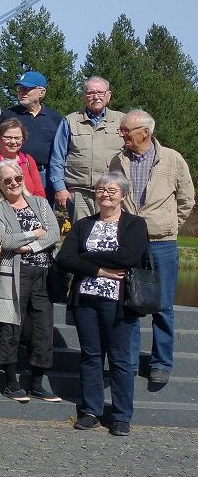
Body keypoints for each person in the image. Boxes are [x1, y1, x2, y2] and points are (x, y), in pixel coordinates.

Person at [56, 173, 148, 436]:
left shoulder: (135, 224)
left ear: (123, 194)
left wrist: (87, 258)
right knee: (91, 356)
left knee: (119, 358)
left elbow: (128, 256)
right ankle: (91, 410)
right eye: (101, 189)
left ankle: (121, 415)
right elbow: (65, 258)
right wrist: (101, 271)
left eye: (112, 190)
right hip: (86, 298)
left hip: (118, 301)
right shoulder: (83, 224)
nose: (105, 194)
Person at [110, 109, 195, 386]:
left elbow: (186, 199)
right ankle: (130, 362)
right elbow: (113, 195)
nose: (121, 134)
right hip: (129, 243)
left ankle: (161, 363)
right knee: (129, 304)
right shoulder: (117, 160)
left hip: (163, 244)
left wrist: (168, 224)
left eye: (126, 130)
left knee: (163, 307)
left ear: (144, 132)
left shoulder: (172, 159)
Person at [0, 159, 61, 403]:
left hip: (42, 273)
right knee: (10, 326)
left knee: (42, 327)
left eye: (17, 178)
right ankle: (11, 382)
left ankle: (38, 383)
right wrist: (34, 233)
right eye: (7, 180)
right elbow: (5, 241)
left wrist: (29, 247)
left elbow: (54, 233)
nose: (14, 183)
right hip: (12, 274)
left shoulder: (40, 202)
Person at [50, 76, 125, 222]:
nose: (96, 97)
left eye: (100, 92)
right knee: (82, 238)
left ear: (108, 96)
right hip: (79, 194)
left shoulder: (122, 121)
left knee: (112, 236)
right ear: (84, 96)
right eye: (90, 93)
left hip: (112, 192)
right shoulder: (70, 121)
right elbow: (57, 158)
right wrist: (60, 188)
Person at [0, 71, 64, 190]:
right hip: (13, 173)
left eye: (27, 89)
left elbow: (63, 149)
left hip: (45, 175)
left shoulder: (55, 118)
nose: (22, 92)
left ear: (41, 92)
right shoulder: (8, 115)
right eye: (20, 88)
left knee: (43, 208)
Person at [0, 119, 46, 198]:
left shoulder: (28, 160)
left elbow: (39, 193)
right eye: (7, 137)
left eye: (17, 138)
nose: (13, 142)